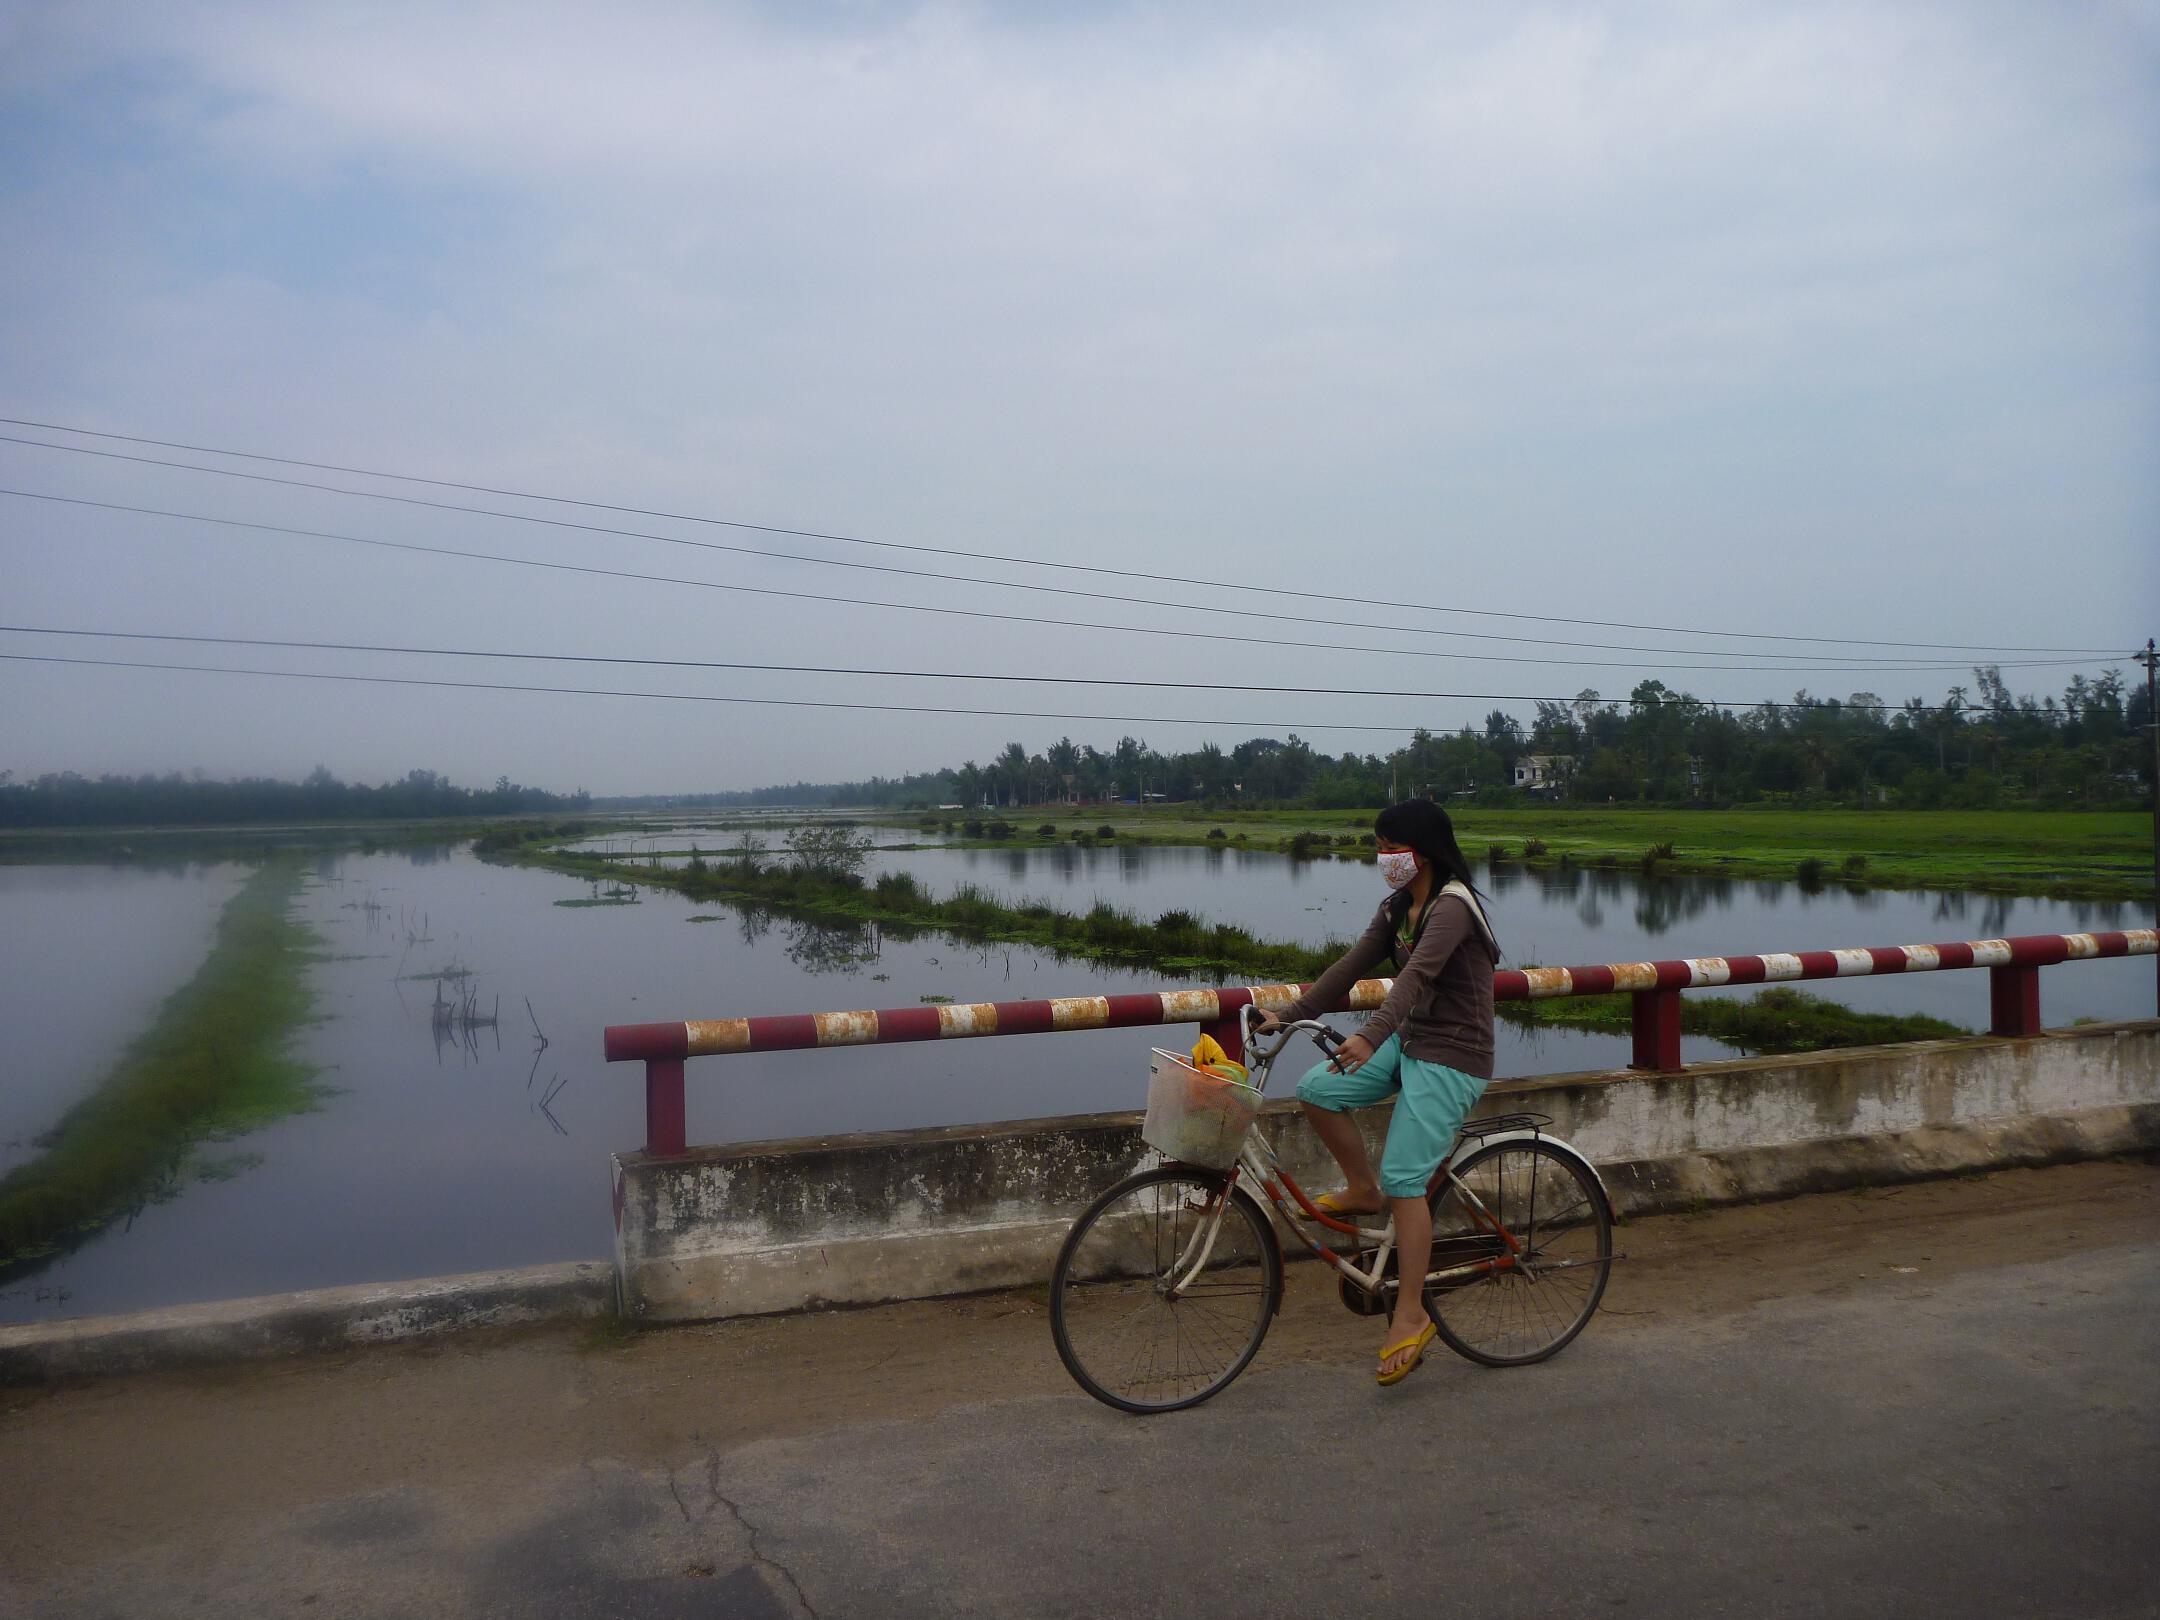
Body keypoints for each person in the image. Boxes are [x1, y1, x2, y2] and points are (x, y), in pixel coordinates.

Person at [1254, 799, 1498, 1386]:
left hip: (1454, 1054)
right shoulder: (1397, 908)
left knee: (1406, 1182)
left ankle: (1410, 1315)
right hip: (1412, 1042)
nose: (1383, 857)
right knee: (1317, 1088)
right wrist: (1290, 1015)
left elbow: (1414, 979)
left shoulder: (1453, 907)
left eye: (1393, 846)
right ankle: (1362, 1191)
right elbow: (1350, 966)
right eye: (1380, 846)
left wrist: (1369, 1035)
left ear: (1424, 850)